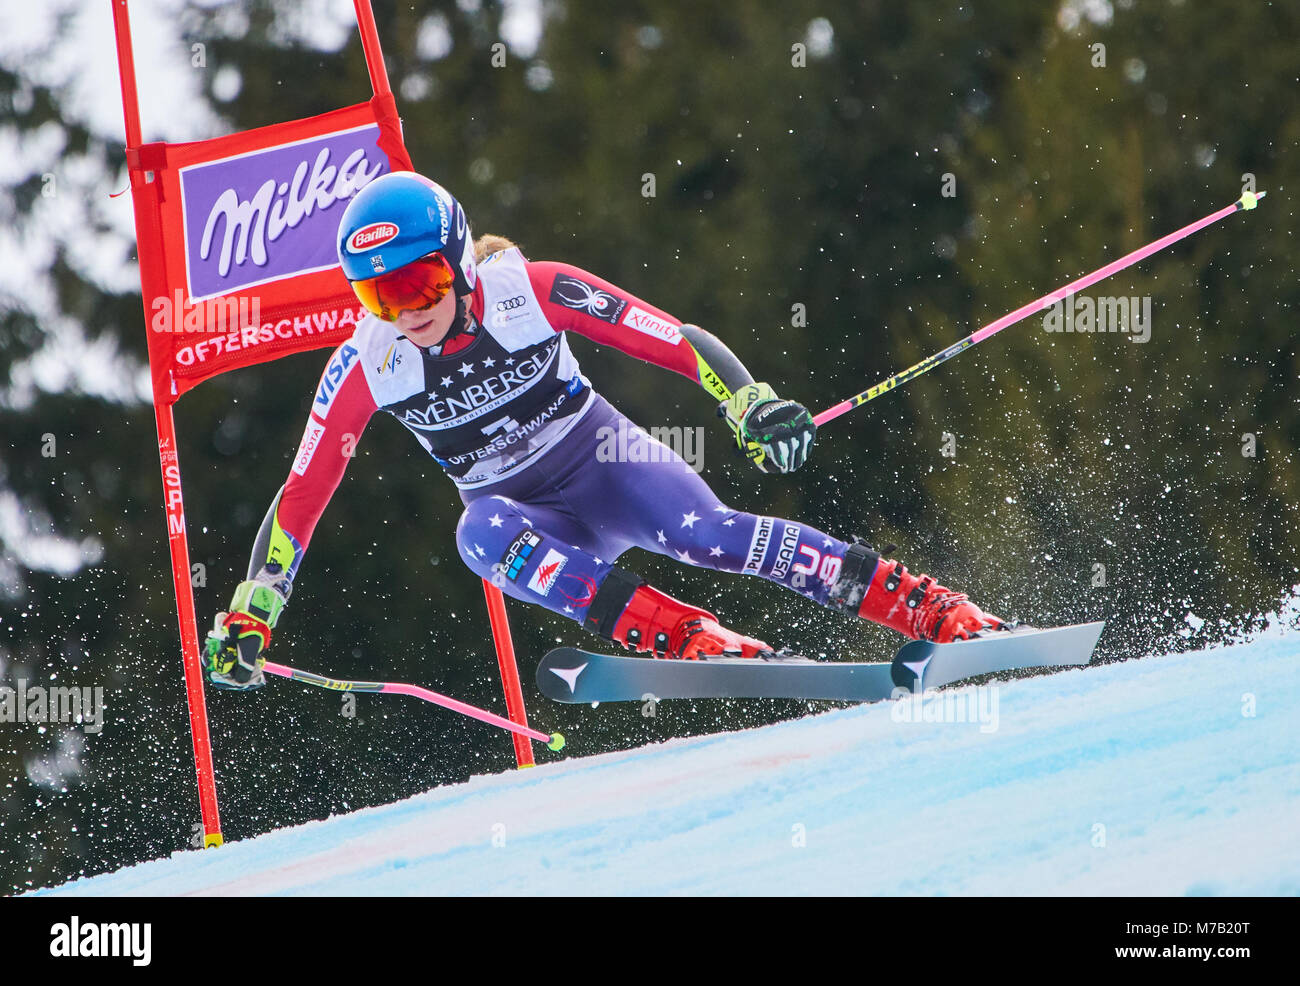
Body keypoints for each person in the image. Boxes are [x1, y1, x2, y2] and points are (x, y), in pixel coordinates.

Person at [202, 172, 1002, 690]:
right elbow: (304, 490)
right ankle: (687, 636)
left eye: (421, 280)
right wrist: (254, 607)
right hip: (523, 514)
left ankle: (928, 609)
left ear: (459, 261)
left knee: (710, 536)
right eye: (380, 295)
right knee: (479, 536)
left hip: (603, 461)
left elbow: (673, 338)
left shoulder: (534, 291)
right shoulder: (367, 363)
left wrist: (747, 402)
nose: (408, 307)